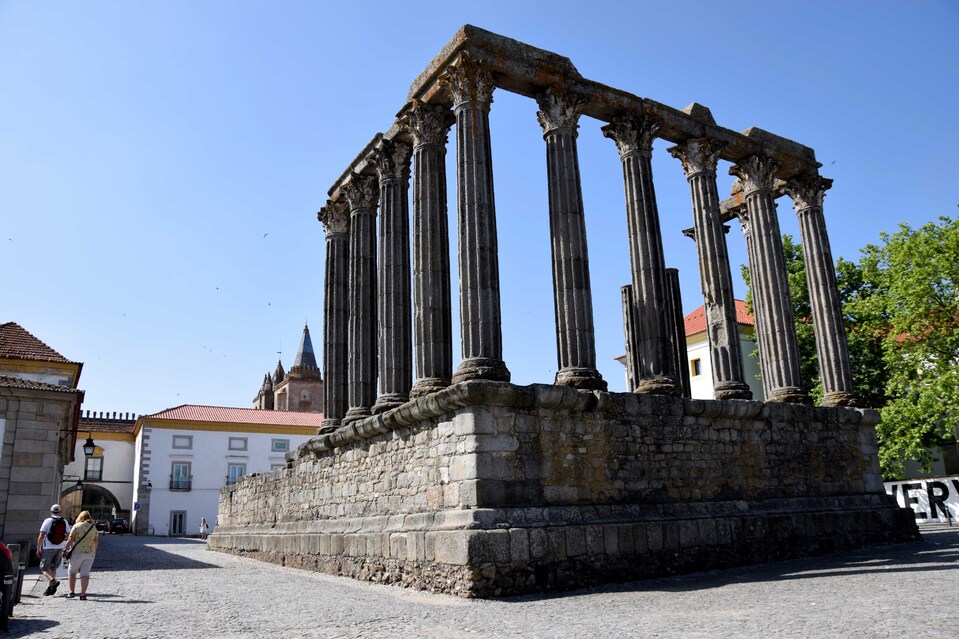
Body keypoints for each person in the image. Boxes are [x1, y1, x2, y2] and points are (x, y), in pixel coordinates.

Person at [63, 510, 98, 600]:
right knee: (85, 574)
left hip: (77, 552)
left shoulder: (76, 526)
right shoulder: (93, 527)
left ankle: (71, 592)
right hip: (90, 553)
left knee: (72, 572)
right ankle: (83, 594)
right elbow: (96, 541)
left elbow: (70, 540)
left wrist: (65, 549)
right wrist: (94, 551)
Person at [37, 504, 71, 596]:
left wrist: (38, 548)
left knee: (44, 568)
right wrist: (62, 540)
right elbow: (68, 534)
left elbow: (41, 536)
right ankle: (50, 588)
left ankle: (52, 581)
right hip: (59, 548)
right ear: (60, 512)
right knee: (53, 567)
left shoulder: (48, 521)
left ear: (51, 511)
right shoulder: (64, 521)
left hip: (48, 547)